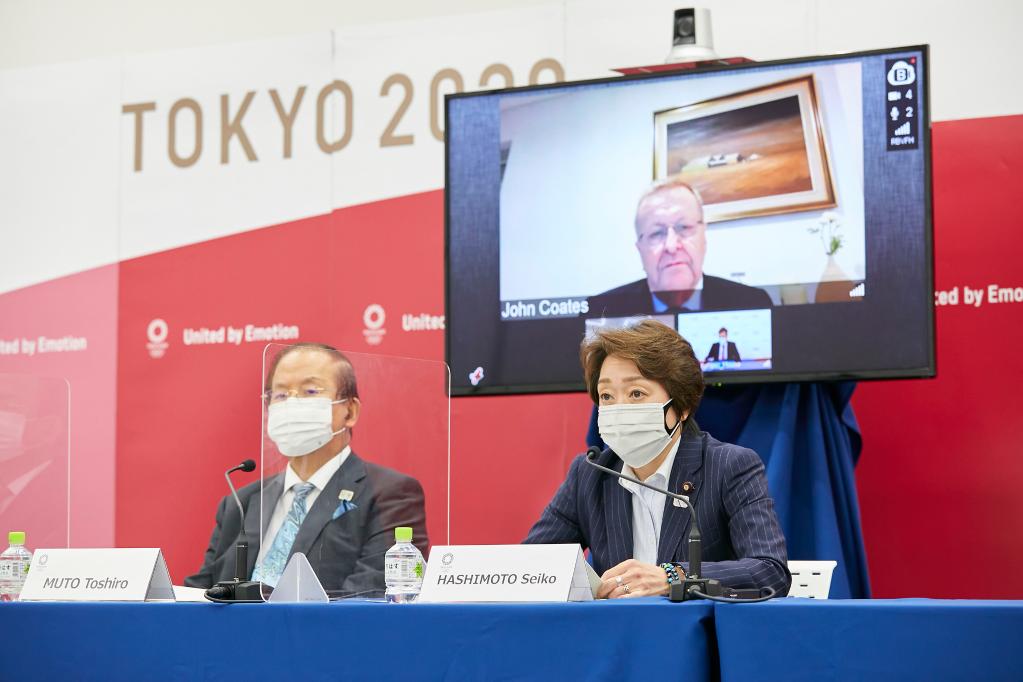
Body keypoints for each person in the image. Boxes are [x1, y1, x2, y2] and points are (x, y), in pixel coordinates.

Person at [525, 320, 789, 598]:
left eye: (636, 393)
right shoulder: (590, 473)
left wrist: (673, 576)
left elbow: (769, 571)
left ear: (682, 405)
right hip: (619, 636)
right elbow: (531, 569)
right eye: (606, 395)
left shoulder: (728, 466)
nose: (619, 409)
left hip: (696, 635)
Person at [184, 342, 427, 595]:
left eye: (310, 391)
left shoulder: (389, 494)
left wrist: (261, 599)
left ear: (350, 411)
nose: (292, 404)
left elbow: (372, 594)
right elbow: (201, 591)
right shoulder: (241, 502)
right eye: (280, 395)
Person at [587, 180, 773, 316]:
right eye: (656, 233)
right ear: (640, 249)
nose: (671, 246)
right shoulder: (601, 313)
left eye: (684, 228)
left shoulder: (751, 303)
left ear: (703, 237)